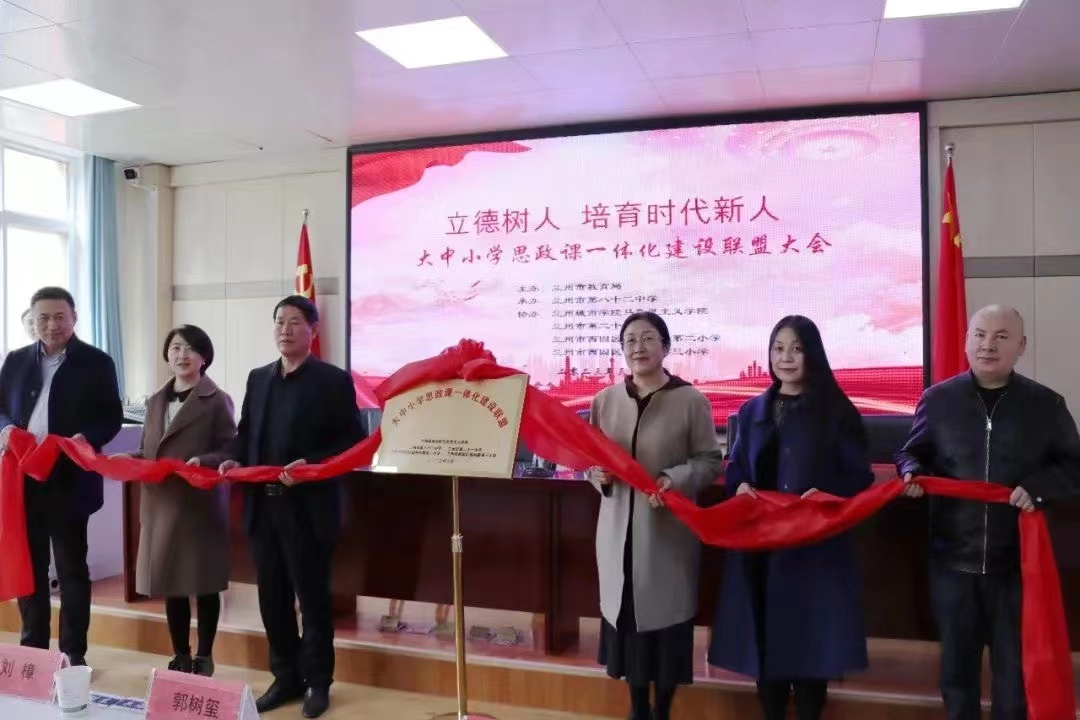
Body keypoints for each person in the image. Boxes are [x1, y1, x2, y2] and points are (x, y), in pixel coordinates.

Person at [896, 305, 1080, 720]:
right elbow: (911, 452)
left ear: (1021, 346)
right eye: (979, 334)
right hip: (952, 564)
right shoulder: (937, 400)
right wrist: (911, 471)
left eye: (1001, 336)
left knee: (1012, 683)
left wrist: (1039, 488)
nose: (988, 345)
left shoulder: (1046, 405)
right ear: (966, 341)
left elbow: (1074, 466)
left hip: (1015, 566)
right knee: (957, 678)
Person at [708, 315, 873, 720]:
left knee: (812, 647)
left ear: (812, 354)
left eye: (796, 349)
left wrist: (826, 493)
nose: (786, 357)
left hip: (814, 548)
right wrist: (740, 485)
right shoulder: (752, 411)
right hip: (762, 548)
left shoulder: (837, 411)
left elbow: (859, 475)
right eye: (778, 348)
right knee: (766, 644)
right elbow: (736, 467)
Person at [219, 295, 363, 719]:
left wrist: (311, 466)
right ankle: (285, 677)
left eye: (295, 322)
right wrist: (233, 459)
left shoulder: (333, 380)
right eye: (280, 321)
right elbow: (246, 433)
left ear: (313, 330)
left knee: (312, 600)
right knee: (272, 599)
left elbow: (351, 442)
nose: (285, 329)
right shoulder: (258, 378)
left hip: (308, 508)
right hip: (263, 508)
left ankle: (318, 682)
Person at [588, 311, 723, 720]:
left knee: (665, 627)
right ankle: (637, 709)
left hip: (666, 535)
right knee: (628, 624)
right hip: (618, 534)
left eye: (648, 338)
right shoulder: (604, 401)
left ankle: (661, 709)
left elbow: (709, 460)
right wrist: (597, 475)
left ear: (666, 346)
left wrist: (673, 478)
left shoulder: (690, 400)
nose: (638, 347)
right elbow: (589, 460)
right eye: (630, 340)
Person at [0, 287, 122, 666]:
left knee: (72, 571)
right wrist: (5, 428)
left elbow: (110, 416)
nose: (51, 325)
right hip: (25, 479)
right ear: (32, 320)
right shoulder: (16, 360)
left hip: (70, 479)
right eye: (43, 318)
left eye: (59, 317)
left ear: (74, 317)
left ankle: (73, 655)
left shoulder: (97, 362)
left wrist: (86, 437)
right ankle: (33, 654)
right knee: (31, 570)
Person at [111, 325, 236, 676]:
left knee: (204, 582)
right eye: (176, 348)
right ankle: (180, 654)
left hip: (198, 504)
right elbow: (150, 449)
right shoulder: (155, 400)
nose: (182, 355)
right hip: (160, 504)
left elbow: (231, 447)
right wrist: (129, 458)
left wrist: (206, 461)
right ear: (167, 354)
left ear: (204, 357)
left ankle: (205, 656)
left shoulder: (217, 399)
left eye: (191, 349)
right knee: (172, 584)